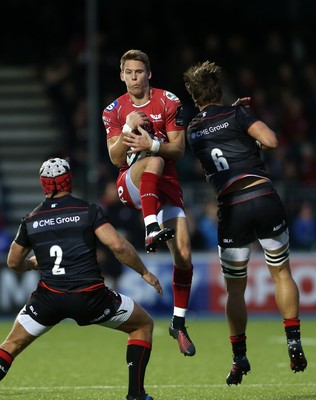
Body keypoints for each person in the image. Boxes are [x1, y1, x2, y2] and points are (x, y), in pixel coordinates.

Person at [183, 61, 308, 385]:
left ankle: (239, 358)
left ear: (194, 96)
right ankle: (293, 340)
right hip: (263, 196)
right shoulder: (238, 114)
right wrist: (244, 121)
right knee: (281, 272)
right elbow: (271, 141)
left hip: (231, 207)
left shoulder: (193, 130)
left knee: (235, 288)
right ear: (219, 90)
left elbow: (212, 146)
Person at [0, 157, 163, 400]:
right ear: (69, 181)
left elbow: (13, 262)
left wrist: (32, 263)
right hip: (91, 297)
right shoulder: (88, 210)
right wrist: (144, 272)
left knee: (10, 345)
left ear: (43, 184)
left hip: (49, 299)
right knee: (142, 325)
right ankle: (136, 395)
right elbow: (118, 245)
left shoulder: (31, 220)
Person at [102, 49, 196, 357]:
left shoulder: (168, 102)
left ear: (149, 74)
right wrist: (128, 128)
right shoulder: (114, 110)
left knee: (183, 255)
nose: (133, 78)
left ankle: (178, 323)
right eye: (128, 72)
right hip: (130, 183)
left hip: (165, 187)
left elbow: (179, 150)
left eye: (138, 72)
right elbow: (116, 158)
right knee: (153, 161)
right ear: (121, 75)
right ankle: (150, 227)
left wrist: (151, 143)